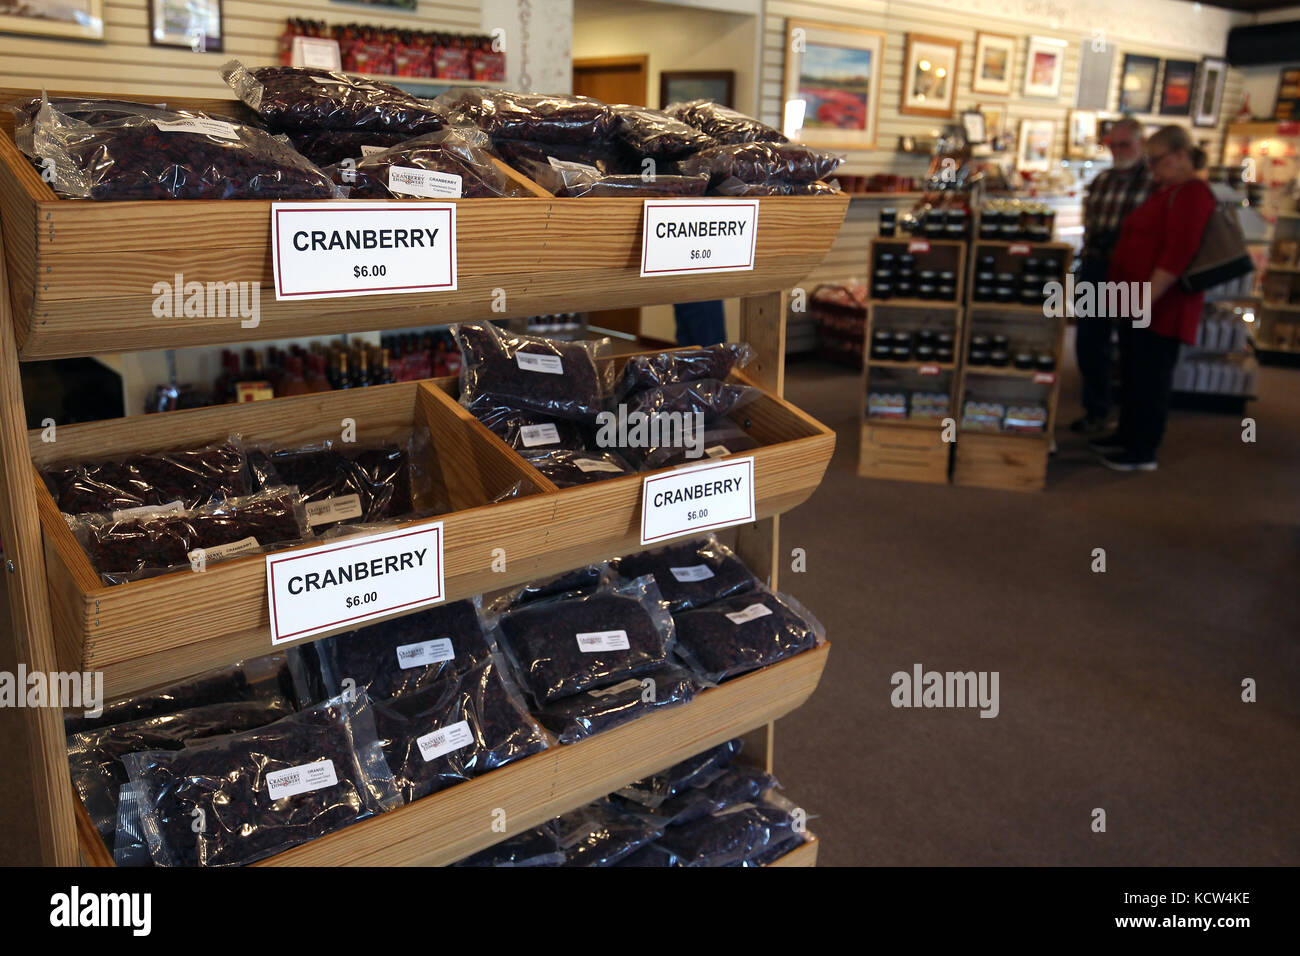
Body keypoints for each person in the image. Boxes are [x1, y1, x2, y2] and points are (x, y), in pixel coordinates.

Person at [1091, 125, 1216, 472]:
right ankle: (1127, 435)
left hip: (1160, 306)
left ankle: (1141, 449)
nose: (1152, 169)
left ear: (1179, 156)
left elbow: (1178, 253)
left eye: (1157, 161)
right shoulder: (1168, 190)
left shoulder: (1192, 193)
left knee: (1150, 376)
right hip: (1140, 301)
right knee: (1133, 371)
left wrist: (1147, 298)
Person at [1071, 118, 1151, 434]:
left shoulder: (1152, 183)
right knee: (1090, 343)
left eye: (1124, 145)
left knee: (1133, 345)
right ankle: (1097, 410)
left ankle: (1130, 419)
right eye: (1113, 145)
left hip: (1133, 273)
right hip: (1095, 266)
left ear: (1140, 144)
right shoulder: (1102, 180)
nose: (1117, 151)